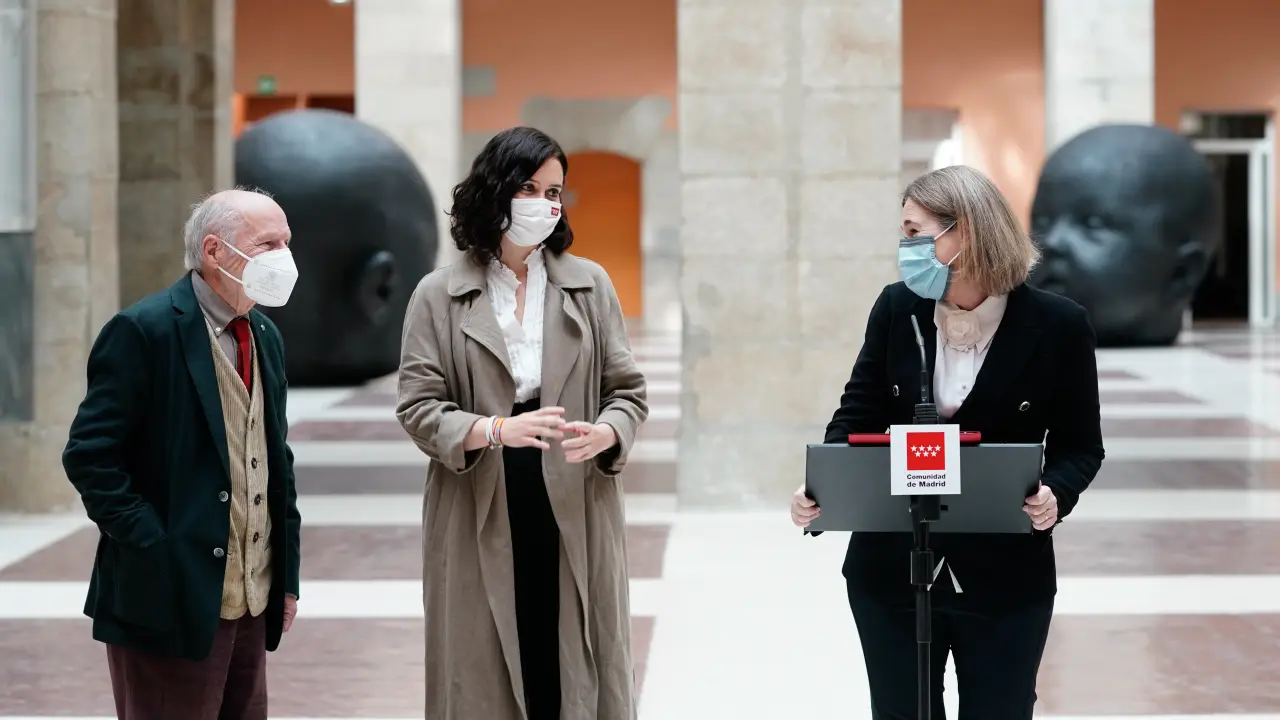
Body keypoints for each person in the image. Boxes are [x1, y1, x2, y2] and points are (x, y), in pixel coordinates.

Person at [791, 165, 1105, 719]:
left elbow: (1081, 446)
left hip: (1006, 575)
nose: (906, 247)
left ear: (967, 231)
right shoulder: (897, 308)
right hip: (892, 570)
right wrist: (825, 490)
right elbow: (856, 413)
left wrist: (1055, 494)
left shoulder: (1059, 325)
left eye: (916, 233)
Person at [397, 126, 649, 720]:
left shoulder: (589, 285)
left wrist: (608, 431)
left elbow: (627, 392)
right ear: (495, 189)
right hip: (479, 492)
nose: (544, 204)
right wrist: (493, 430)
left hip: (575, 493)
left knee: (570, 656)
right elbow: (417, 405)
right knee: (483, 659)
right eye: (529, 188)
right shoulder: (437, 294)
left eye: (554, 192)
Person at [62, 188, 302, 720]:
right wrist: (154, 546)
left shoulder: (264, 334)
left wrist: (285, 577)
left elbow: (274, 461)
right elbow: (90, 456)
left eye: (287, 242)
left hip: (250, 600)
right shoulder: (143, 330)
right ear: (215, 251)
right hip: (166, 600)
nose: (284, 257)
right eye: (268, 244)